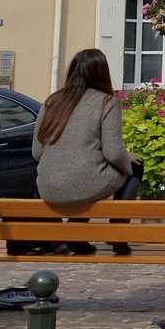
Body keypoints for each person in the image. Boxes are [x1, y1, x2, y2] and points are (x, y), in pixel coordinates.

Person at [30, 48, 139, 255]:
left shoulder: (52, 102)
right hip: (87, 185)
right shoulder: (106, 102)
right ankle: (118, 233)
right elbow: (114, 153)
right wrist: (128, 160)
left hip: (48, 189)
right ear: (102, 72)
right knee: (136, 167)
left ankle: (72, 238)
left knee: (86, 175)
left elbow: (37, 153)